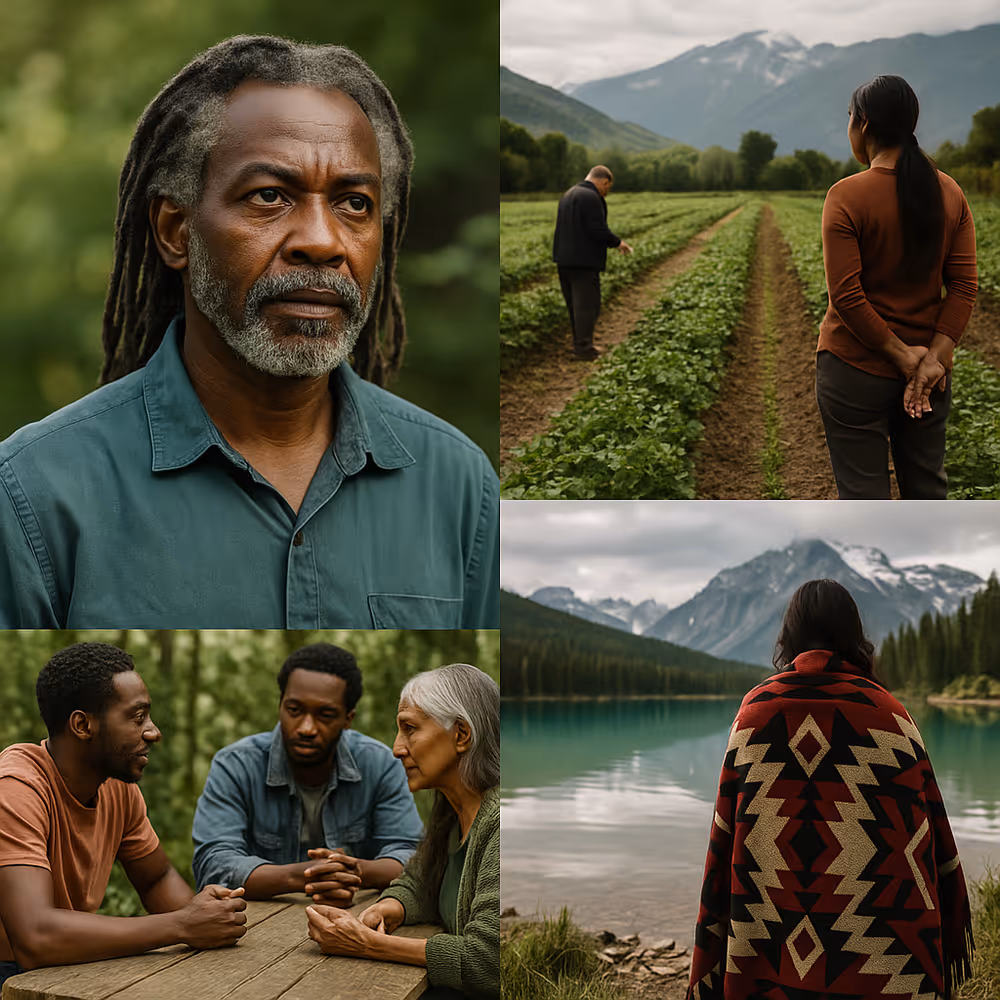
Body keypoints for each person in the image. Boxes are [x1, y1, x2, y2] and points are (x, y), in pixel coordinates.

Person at [0, 35, 499, 629]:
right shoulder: (34, 491)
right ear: (175, 231)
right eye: (270, 196)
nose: (322, 240)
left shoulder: (461, 486)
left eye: (355, 204)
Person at [687, 579, 973, 1000]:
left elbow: (727, 840)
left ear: (789, 636)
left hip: (768, 955)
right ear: (855, 638)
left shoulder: (754, 713)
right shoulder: (890, 717)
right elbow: (925, 842)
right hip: (877, 973)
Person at [0, 643, 247, 988]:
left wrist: (206, 917)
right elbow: (34, 937)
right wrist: (181, 925)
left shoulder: (117, 785)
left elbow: (155, 878)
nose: (154, 732)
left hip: (61, 966)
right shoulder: (16, 788)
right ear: (83, 725)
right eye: (137, 717)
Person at [817, 75, 977, 499]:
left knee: (864, 497)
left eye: (849, 118)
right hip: (930, 370)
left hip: (855, 369)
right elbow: (963, 286)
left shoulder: (846, 195)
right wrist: (931, 362)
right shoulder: (950, 192)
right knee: (927, 491)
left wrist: (902, 359)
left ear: (864, 124)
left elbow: (847, 297)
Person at [305, 663, 499, 1000]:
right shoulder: (451, 810)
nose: (397, 748)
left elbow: (490, 960)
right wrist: (386, 908)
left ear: (461, 735)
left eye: (410, 728)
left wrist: (369, 944)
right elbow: (419, 882)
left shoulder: (500, 823)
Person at [192, 643, 423, 906]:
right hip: (254, 927)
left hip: (356, 921)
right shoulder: (235, 765)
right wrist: (304, 876)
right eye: (294, 710)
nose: (306, 727)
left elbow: (411, 855)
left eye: (325, 715)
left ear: (348, 719)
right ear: (280, 705)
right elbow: (214, 864)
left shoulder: (380, 764)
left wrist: (356, 871)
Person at [552, 165, 634, 361]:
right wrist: (617, 242)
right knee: (588, 306)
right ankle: (584, 349)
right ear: (604, 182)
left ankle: (579, 344)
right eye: (608, 188)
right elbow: (596, 229)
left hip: (564, 259)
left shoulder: (569, 194)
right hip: (583, 260)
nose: (607, 192)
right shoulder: (591, 197)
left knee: (574, 305)